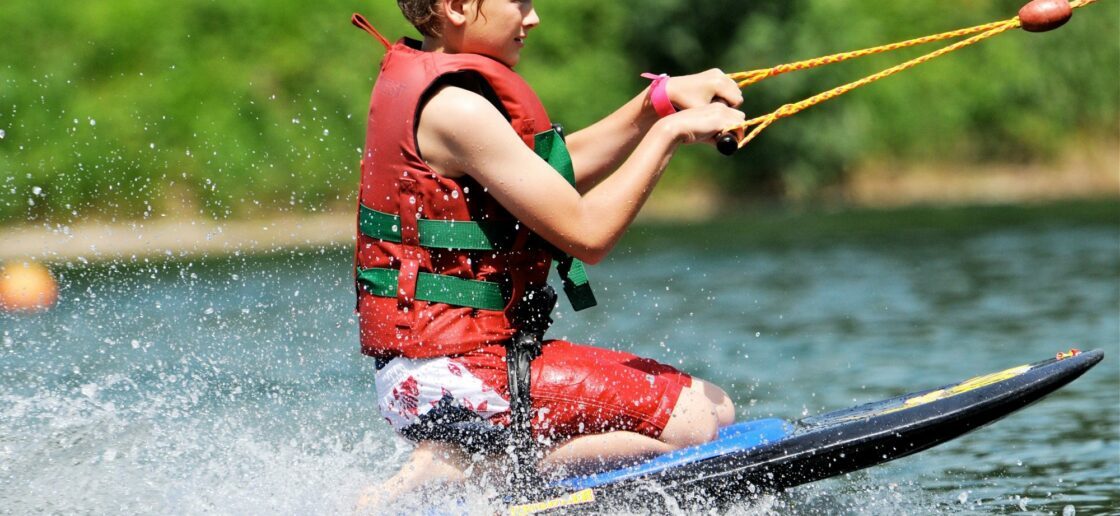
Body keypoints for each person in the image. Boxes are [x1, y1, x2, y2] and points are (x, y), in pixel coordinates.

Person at [352, 0, 746, 506]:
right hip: (456, 375)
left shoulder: (434, 90)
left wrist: (658, 102)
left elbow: (550, 177)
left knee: (719, 410)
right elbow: (588, 233)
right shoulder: (457, 109)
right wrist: (670, 133)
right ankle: (477, 466)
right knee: (698, 419)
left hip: (437, 369)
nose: (533, 17)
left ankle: (476, 455)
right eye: (518, 2)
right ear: (454, 7)